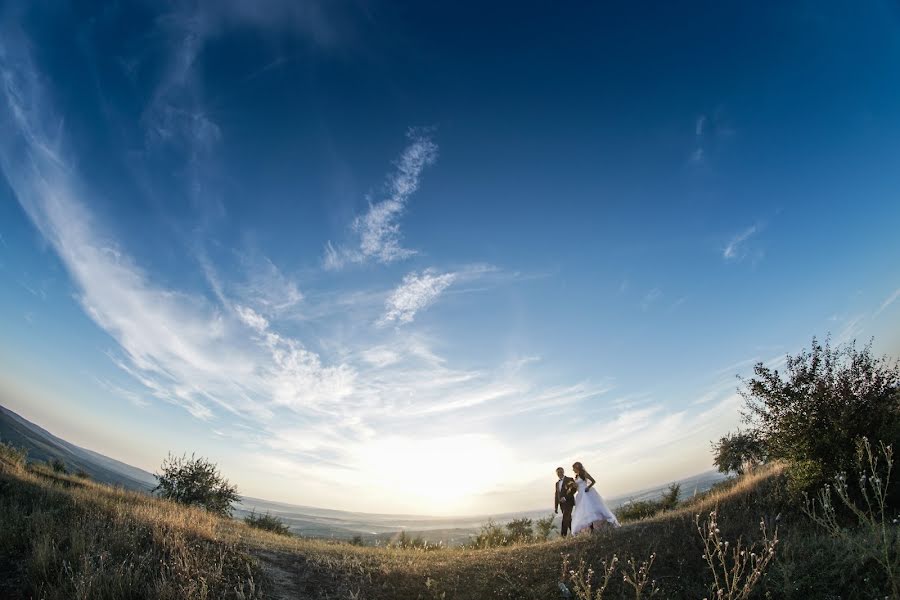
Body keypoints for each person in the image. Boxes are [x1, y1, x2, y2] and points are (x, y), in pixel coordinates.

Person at [570, 461, 620, 534]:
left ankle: (602, 524)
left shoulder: (584, 473)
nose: (573, 470)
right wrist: (572, 485)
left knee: (591, 509)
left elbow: (593, 481)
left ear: (577, 467)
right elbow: (577, 486)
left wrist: (588, 487)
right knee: (584, 511)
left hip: (587, 493)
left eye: (573, 468)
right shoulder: (577, 476)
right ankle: (591, 528)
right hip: (580, 494)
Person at [553, 466, 577, 537]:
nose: (559, 473)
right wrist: (556, 507)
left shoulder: (570, 479)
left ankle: (563, 536)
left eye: (561, 472)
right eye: (558, 472)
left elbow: (574, 490)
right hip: (562, 505)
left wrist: (565, 498)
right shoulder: (557, 483)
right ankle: (575, 533)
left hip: (569, 502)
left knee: (565, 518)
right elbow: (556, 495)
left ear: (563, 472)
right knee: (568, 519)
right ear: (556, 474)